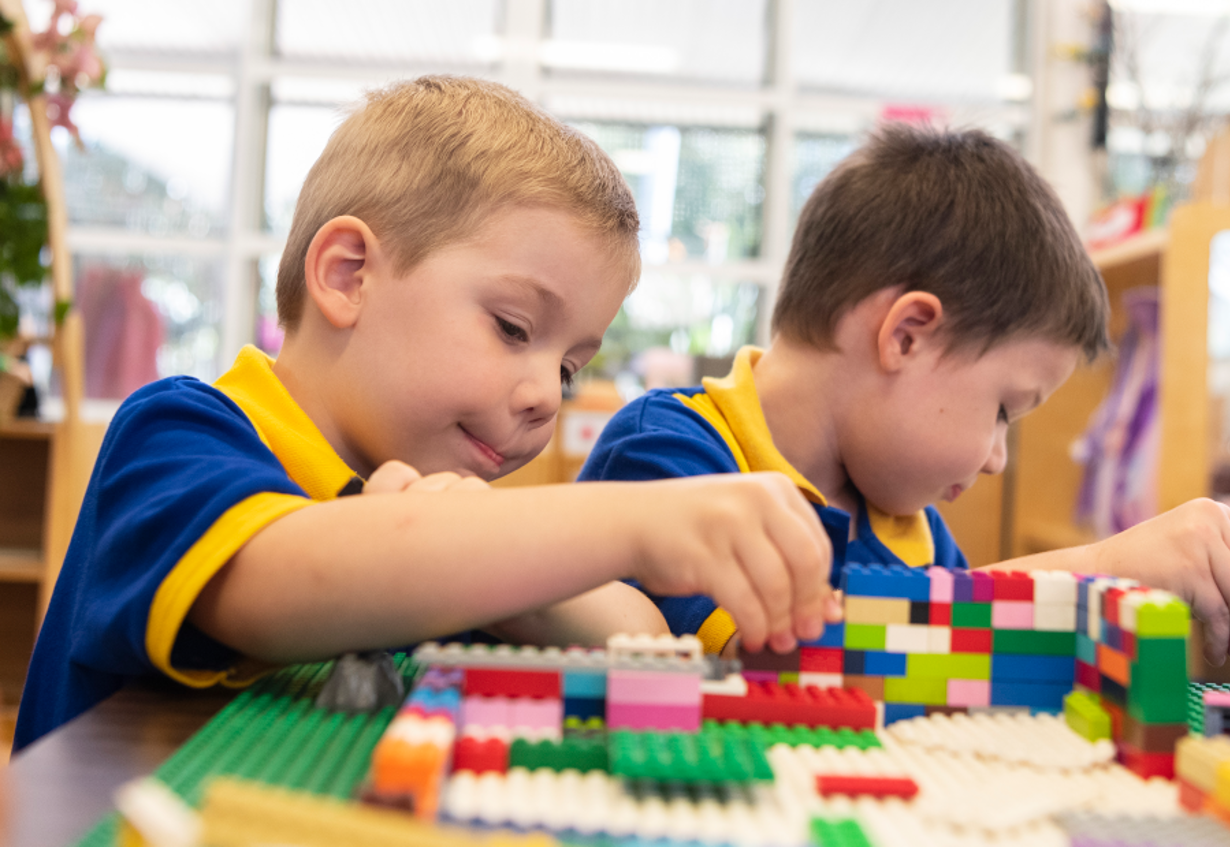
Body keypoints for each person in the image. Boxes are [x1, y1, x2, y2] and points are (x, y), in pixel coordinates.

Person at [14, 77, 836, 753]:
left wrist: (511, 587)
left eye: (568, 364)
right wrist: (637, 523)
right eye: (513, 328)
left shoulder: (433, 507)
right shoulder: (177, 434)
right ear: (346, 276)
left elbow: (638, 632)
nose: (548, 393)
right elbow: (276, 580)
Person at [581, 124, 1230, 666]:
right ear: (907, 335)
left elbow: (953, 653)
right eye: (1003, 410)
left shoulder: (914, 526)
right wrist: (1104, 563)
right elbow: (786, 657)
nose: (997, 458)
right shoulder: (668, 450)